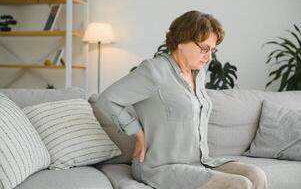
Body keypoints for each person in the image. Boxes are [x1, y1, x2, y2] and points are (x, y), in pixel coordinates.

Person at [97, 10, 267, 189]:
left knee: (256, 175)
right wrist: (137, 132)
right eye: (204, 48)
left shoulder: (198, 74)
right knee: (240, 184)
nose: (209, 57)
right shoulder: (154, 71)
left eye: (213, 50)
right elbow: (107, 99)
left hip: (199, 162)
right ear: (181, 42)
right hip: (161, 166)